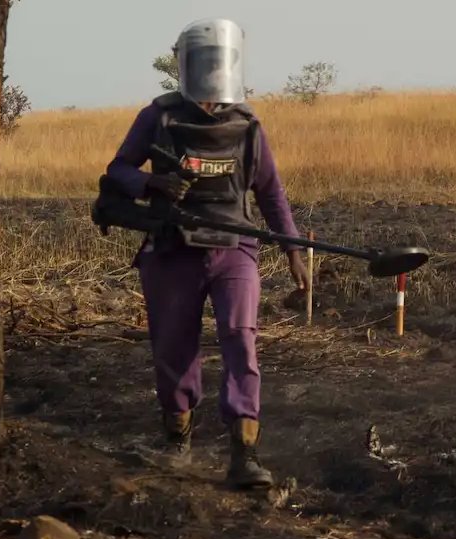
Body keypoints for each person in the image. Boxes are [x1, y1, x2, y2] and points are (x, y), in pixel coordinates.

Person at [103, 18, 309, 490]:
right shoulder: (158, 116)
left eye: (219, 61)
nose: (212, 70)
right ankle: (177, 441)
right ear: (187, 64)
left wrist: (293, 250)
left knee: (240, 336)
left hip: (235, 244)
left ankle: (244, 452)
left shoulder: (247, 124)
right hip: (172, 248)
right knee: (174, 345)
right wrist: (151, 182)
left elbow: (271, 193)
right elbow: (117, 170)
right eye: (204, 61)